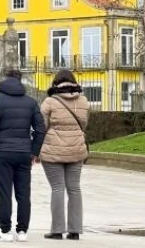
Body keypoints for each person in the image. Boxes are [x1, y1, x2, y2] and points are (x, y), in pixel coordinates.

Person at [0, 68, 46, 242]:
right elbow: (40, 129)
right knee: (23, 193)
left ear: (4, 80)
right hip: (24, 152)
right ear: (20, 81)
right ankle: (22, 231)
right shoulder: (31, 102)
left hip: (3, 152)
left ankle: (4, 231)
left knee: (4, 193)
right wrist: (34, 151)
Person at [39, 70, 90, 240]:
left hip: (53, 150)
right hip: (76, 149)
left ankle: (57, 230)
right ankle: (75, 230)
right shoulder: (83, 101)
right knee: (74, 188)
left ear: (55, 83)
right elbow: (84, 124)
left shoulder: (49, 102)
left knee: (57, 188)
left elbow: (42, 127)